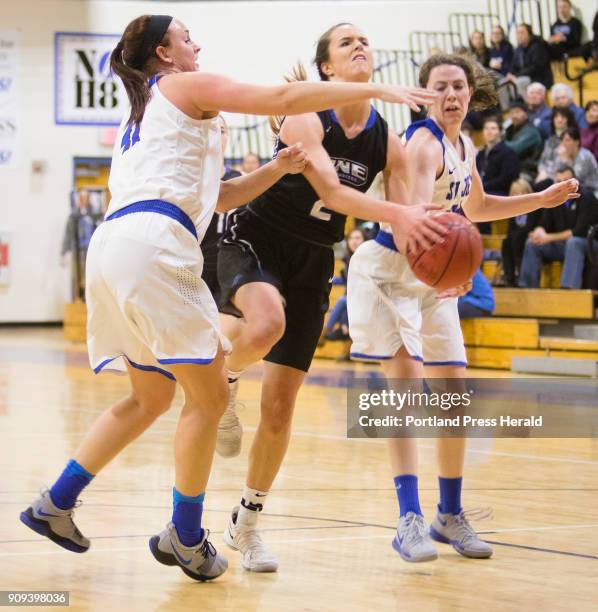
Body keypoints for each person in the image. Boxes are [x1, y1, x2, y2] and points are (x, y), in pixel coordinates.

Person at [19, 14, 442, 583]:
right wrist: (375, 86)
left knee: (149, 398)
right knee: (211, 398)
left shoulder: (147, 112)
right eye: (185, 37)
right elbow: (282, 94)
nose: (196, 43)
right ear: (164, 54)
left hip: (114, 250)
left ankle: (55, 502)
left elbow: (219, 195)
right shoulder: (184, 85)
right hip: (156, 247)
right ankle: (187, 536)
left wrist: (276, 167)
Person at [213, 23, 445, 573]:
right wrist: (402, 214)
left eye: (365, 40)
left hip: (316, 257)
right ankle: (223, 378)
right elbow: (334, 193)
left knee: (280, 406)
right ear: (326, 70)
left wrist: (430, 243)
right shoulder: (303, 115)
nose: (360, 45)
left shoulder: (388, 138)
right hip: (258, 236)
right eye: (346, 43)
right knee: (265, 324)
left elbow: (412, 212)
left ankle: (246, 524)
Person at [347, 53, 578, 563]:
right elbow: (413, 215)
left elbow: (473, 209)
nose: (451, 95)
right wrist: (451, 266)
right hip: (389, 269)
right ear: (426, 95)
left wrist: (538, 200)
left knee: (452, 393)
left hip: (428, 273)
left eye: (459, 86)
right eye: (440, 87)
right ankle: (408, 518)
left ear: (471, 95)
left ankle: (448, 515)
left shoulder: (464, 143)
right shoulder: (423, 143)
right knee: (404, 388)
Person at [519, 166, 598, 288]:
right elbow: (544, 223)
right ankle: (527, 288)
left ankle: (568, 290)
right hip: (562, 245)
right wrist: (539, 232)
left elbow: (578, 231)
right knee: (532, 243)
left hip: (588, 245)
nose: (563, 185)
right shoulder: (556, 199)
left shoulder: (587, 198)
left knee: (574, 242)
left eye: (566, 181)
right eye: (559, 182)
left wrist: (547, 238)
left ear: (575, 181)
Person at [476, 116, 521, 233]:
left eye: (493, 128)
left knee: (482, 203)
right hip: (481, 191)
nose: (489, 131)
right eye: (486, 128)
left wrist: (483, 187)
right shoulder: (480, 154)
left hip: (499, 193)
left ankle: (483, 244)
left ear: (500, 132)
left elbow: (506, 180)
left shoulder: (508, 153)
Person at [323, 227, 365, 341]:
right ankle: (343, 328)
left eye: (357, 238)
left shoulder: (367, 258)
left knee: (343, 300)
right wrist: (328, 279)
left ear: (364, 241)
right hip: (353, 298)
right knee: (345, 300)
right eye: (351, 238)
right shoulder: (348, 258)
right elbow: (346, 280)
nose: (354, 241)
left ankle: (330, 329)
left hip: (368, 297)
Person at [501, 179, 542, 286]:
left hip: (530, 235)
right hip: (518, 237)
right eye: (515, 193)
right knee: (506, 241)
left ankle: (519, 271)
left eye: (522, 192)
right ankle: (509, 276)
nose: (519, 195)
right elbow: (510, 230)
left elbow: (530, 227)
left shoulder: (534, 208)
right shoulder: (512, 209)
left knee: (517, 237)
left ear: (528, 193)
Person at [60, 189, 98, 300]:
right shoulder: (73, 216)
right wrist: (64, 252)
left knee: (90, 274)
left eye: (86, 197)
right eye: (82, 197)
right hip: (77, 251)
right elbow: (68, 234)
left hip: (91, 250)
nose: (84, 200)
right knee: (77, 275)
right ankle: (78, 297)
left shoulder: (94, 214)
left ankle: (90, 297)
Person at [507, 23, 553, 96]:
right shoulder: (518, 49)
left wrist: (517, 75)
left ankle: (525, 106)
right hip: (524, 77)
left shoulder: (538, 46)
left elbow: (536, 67)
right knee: (505, 84)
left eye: (522, 32)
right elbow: (514, 66)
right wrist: (510, 73)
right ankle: (511, 106)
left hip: (538, 78)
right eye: (517, 33)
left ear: (529, 34)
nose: (519, 35)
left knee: (517, 84)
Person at [535, 107, 579, 183]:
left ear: (568, 120)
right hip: (545, 176)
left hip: (564, 178)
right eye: (556, 117)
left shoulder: (572, 139)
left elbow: (570, 167)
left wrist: (548, 175)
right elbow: (542, 160)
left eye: (563, 117)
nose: (559, 120)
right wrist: (542, 172)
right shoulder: (550, 140)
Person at [504, 99, 543, 180]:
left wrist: (498, 143)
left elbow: (514, 149)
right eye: (512, 113)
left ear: (526, 114)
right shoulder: (510, 130)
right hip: (513, 169)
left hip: (527, 172)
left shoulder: (531, 132)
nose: (514, 115)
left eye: (517, 112)